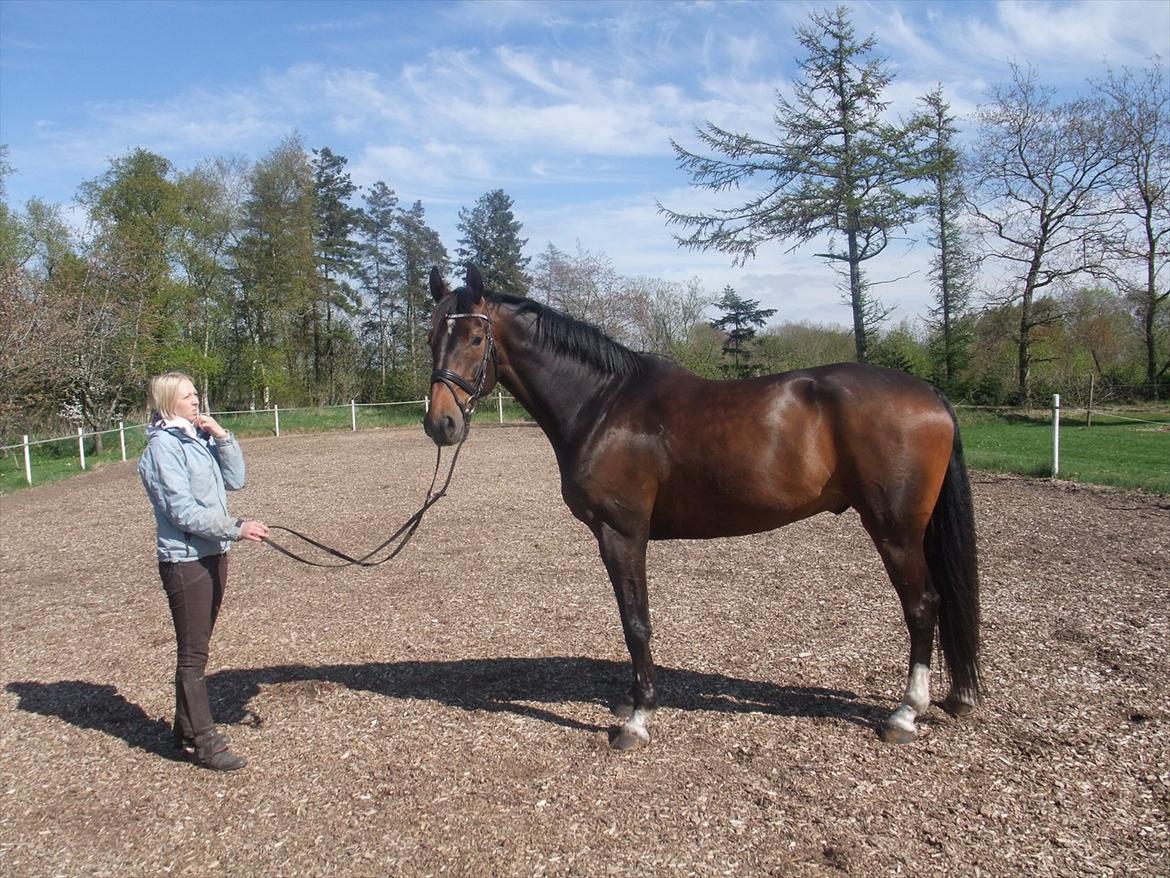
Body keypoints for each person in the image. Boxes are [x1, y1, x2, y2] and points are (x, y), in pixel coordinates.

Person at [138, 371, 269, 771]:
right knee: (193, 654)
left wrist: (223, 437)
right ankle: (206, 742)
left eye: (195, 394)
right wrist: (236, 528)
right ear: (166, 403)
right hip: (185, 560)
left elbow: (236, 480)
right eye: (186, 396)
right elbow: (181, 512)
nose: (195, 401)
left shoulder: (196, 439)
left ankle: (185, 727)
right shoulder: (162, 449)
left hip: (213, 552)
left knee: (198, 647)